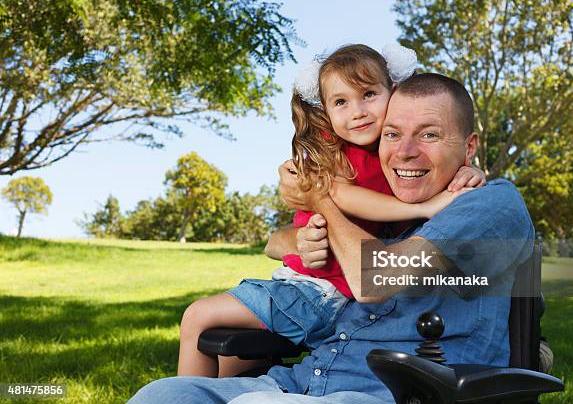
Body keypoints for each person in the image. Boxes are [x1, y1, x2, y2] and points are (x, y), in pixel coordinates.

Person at [129, 73, 534, 404]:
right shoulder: (384, 207)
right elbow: (277, 243)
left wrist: (322, 197)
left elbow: (374, 281)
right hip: (300, 382)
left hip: (393, 393)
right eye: (392, 135)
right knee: (166, 393)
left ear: (469, 146)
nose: (405, 152)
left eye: (428, 135)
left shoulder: (490, 202)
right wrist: (305, 239)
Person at [177, 45, 485, 377]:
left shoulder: (396, 153)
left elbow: (337, 198)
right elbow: (321, 206)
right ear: (325, 109)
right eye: (341, 102)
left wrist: (467, 175)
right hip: (305, 279)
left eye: (368, 94)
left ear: (392, 92)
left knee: (197, 317)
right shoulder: (333, 150)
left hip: (320, 291)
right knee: (227, 367)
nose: (358, 111)